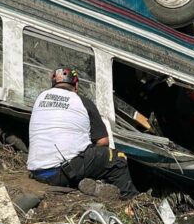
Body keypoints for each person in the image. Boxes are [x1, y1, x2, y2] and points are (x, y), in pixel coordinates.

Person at [27, 67, 138, 199]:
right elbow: (103, 141)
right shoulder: (82, 102)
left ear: (53, 84)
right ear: (76, 84)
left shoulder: (40, 98)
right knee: (116, 158)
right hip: (60, 173)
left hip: (37, 171)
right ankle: (130, 201)